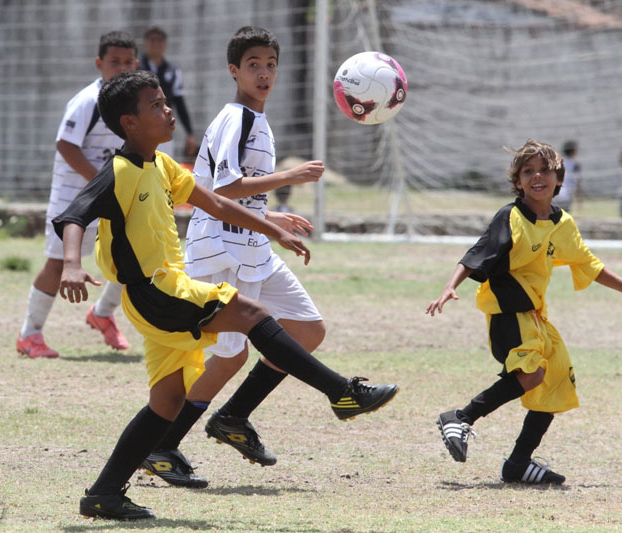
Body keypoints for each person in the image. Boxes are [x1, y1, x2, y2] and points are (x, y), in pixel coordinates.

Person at [53, 70, 398, 520]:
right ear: (129, 122)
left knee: (167, 402)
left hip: (161, 291)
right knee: (251, 313)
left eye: (164, 101)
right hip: (154, 290)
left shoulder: (161, 166)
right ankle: (340, 391)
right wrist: (72, 264)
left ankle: (103, 493)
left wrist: (273, 227)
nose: (168, 110)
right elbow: (73, 216)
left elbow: (215, 202)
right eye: (155, 106)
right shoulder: (118, 171)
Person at [138, 26, 390, 490]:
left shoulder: (253, 118)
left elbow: (231, 187)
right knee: (226, 360)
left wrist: (273, 216)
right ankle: (161, 445)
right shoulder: (240, 118)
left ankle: (233, 417)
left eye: (271, 64)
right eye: (253, 64)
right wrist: (289, 177)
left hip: (249, 244)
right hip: (224, 251)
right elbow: (222, 188)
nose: (264, 73)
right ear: (234, 70)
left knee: (308, 329)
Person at [426, 139, 622, 486]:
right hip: (506, 311)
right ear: (517, 182)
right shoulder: (510, 217)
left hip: (535, 316)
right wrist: (449, 286)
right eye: (528, 171)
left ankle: (518, 463)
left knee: (555, 378)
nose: (537, 176)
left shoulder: (563, 224)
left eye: (545, 170)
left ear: (560, 179)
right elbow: (476, 253)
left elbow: (589, 264)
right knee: (531, 375)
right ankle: (460, 417)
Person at [16, 31, 137, 358]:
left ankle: (101, 313)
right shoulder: (87, 100)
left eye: (128, 62)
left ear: (136, 64)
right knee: (58, 263)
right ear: (100, 64)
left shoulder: (134, 102)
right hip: (74, 195)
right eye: (115, 62)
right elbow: (65, 145)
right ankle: (30, 335)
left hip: (112, 193)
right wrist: (99, 182)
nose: (121, 68)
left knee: (134, 255)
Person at [138, 26, 199, 159]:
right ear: (145, 43)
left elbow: (179, 102)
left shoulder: (173, 71)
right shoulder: (136, 69)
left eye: (159, 40)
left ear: (165, 44)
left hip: (163, 127)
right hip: (142, 128)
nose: (156, 44)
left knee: (164, 166)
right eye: (152, 40)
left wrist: (189, 133)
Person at [552, 140, 581, 212]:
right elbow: (578, 182)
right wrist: (579, 199)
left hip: (555, 194)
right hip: (567, 196)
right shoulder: (575, 164)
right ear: (574, 151)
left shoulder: (558, 161)